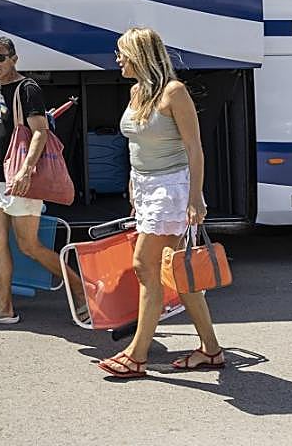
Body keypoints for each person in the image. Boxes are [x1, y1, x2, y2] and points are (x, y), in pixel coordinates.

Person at [96, 27, 224, 378]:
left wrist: (196, 197)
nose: (118, 59)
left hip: (173, 188)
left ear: (141, 55)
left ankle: (136, 355)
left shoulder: (174, 92)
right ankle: (211, 351)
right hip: (146, 187)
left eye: (122, 53)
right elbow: (135, 146)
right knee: (178, 275)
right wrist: (133, 190)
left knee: (145, 266)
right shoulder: (137, 92)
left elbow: (195, 149)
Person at [0, 37, 87, 325]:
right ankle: (3, 306)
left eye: (0, 58)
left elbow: (40, 132)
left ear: (14, 59)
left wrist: (25, 171)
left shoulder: (27, 88)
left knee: (29, 245)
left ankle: (82, 290)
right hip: (1, 178)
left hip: (21, 178)